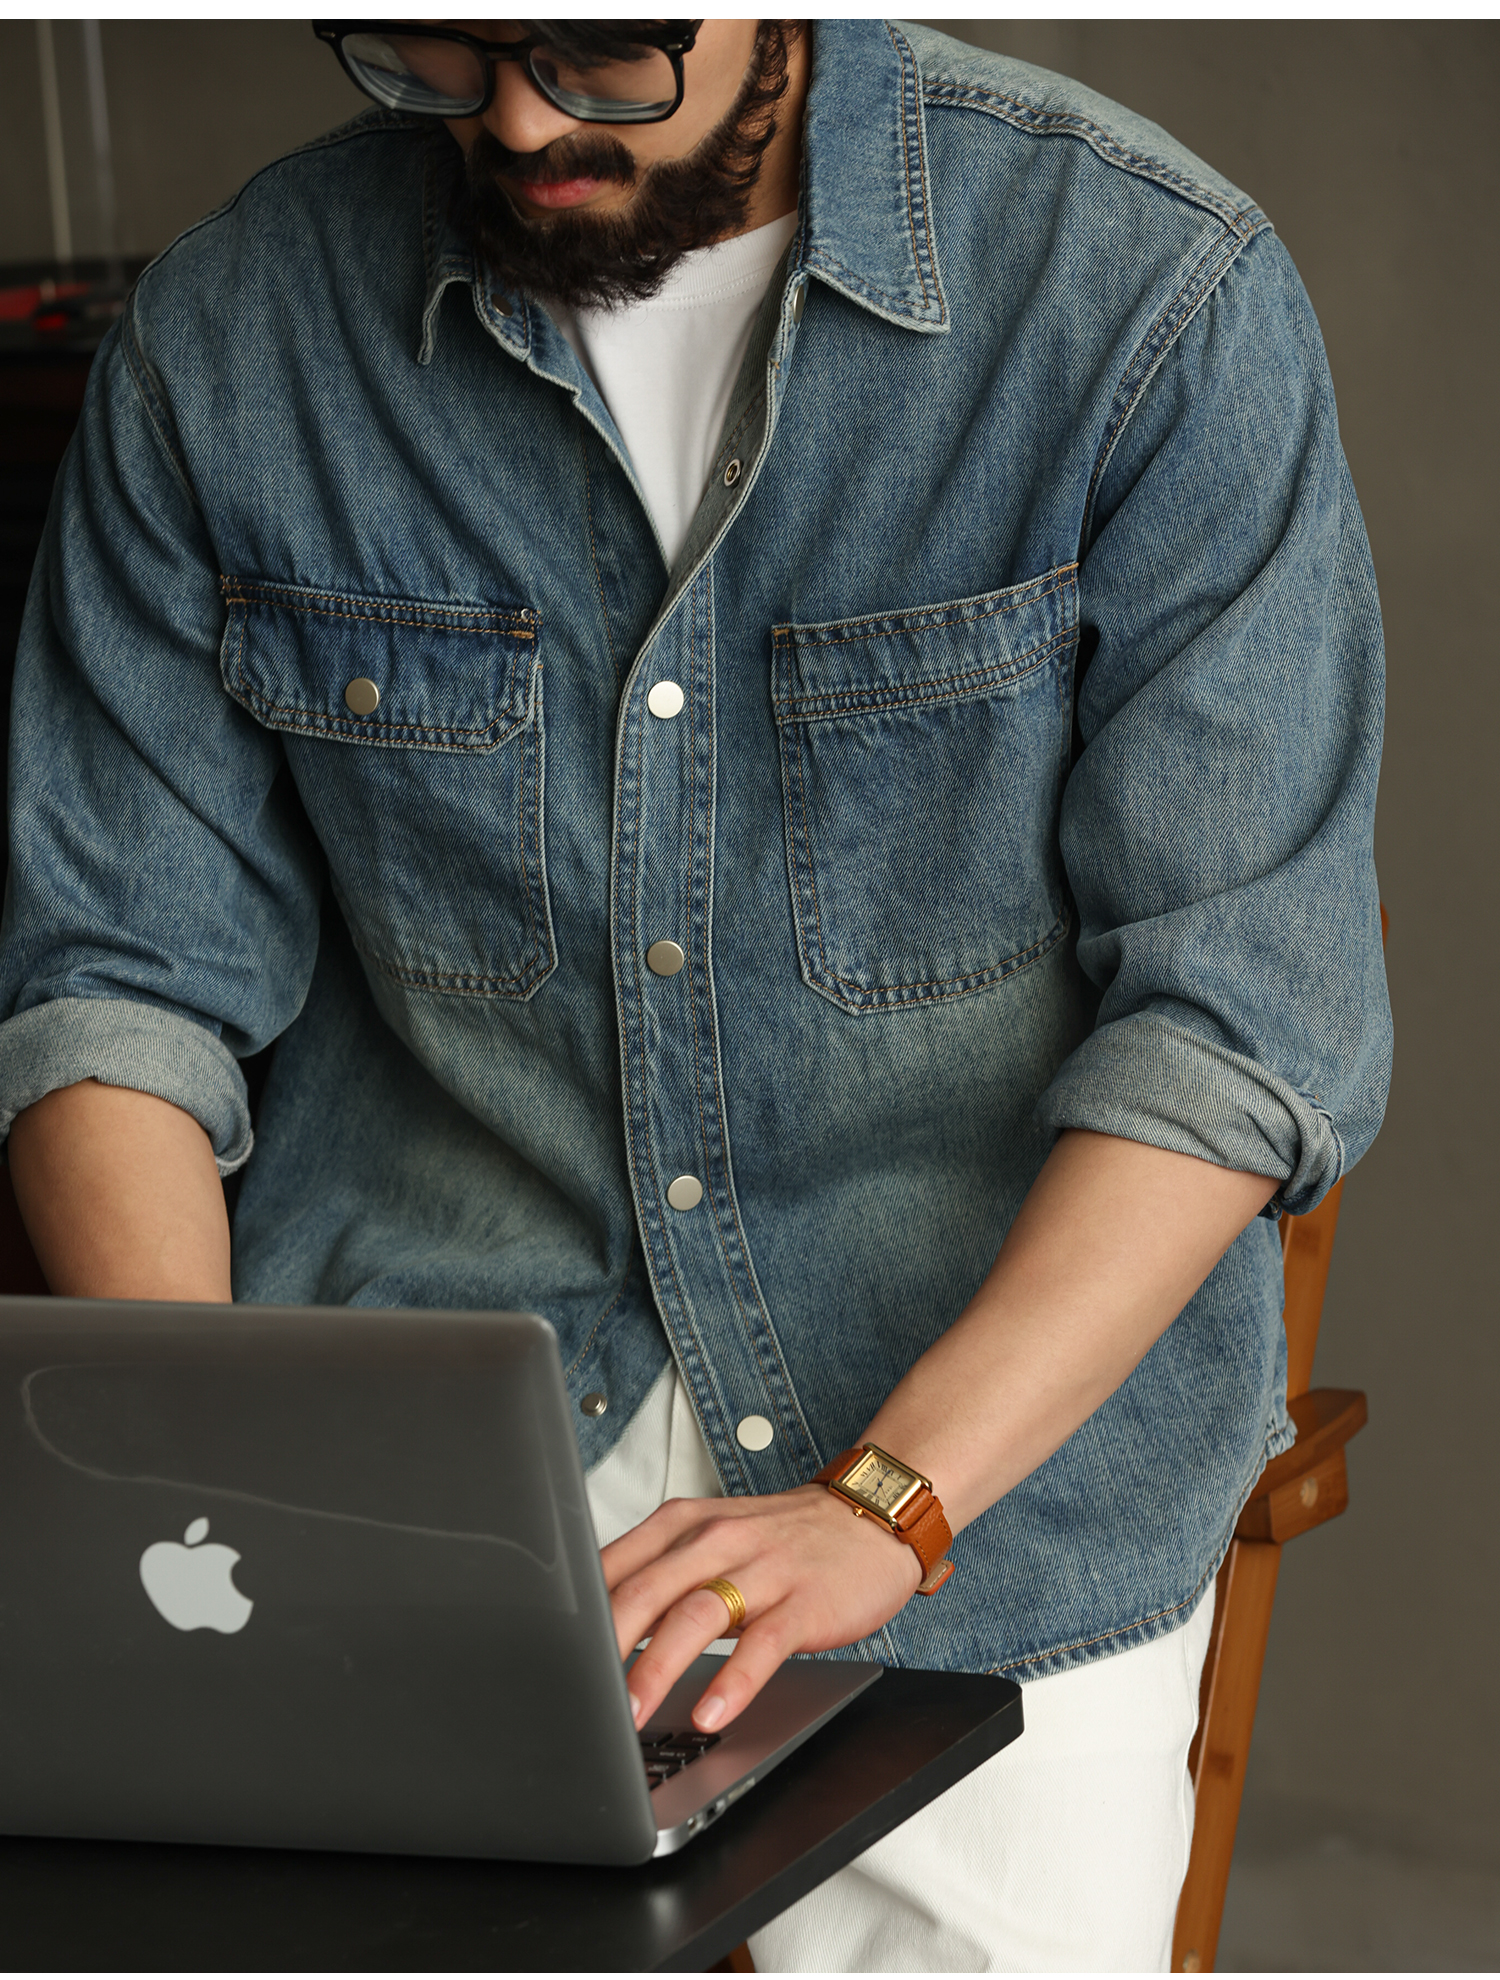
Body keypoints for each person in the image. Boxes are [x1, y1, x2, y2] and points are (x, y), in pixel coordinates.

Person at [0, 19, 1390, 1969]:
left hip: (974, 1488)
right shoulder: (230, 341)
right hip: (410, 1451)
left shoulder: (1149, 297)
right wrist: (230, 1485)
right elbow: (115, 985)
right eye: (441, 48)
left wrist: (884, 1503)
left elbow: (1235, 1030)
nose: (515, 117)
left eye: (603, 52)